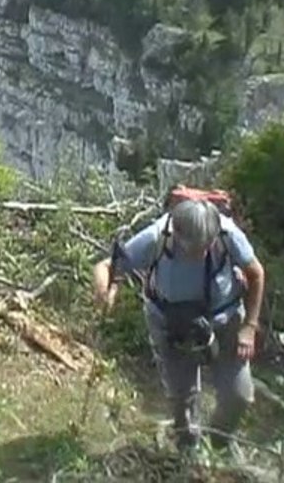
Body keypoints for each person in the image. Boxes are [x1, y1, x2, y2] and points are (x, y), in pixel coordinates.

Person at [91, 195, 265, 454]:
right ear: (177, 234)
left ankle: (221, 441)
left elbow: (256, 273)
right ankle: (188, 448)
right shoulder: (156, 238)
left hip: (225, 320)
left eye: (207, 244)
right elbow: (108, 266)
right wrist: (105, 291)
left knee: (238, 396)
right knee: (182, 397)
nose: (203, 252)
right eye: (195, 248)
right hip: (171, 325)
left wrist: (249, 327)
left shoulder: (227, 234)